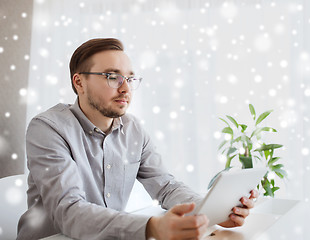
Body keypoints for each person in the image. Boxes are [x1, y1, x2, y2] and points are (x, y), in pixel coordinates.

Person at [17, 38, 258, 240]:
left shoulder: (133, 129)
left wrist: (212, 211)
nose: (125, 89)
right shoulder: (47, 128)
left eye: (130, 79)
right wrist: (151, 227)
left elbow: (166, 186)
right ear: (79, 82)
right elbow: (68, 211)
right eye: (112, 77)